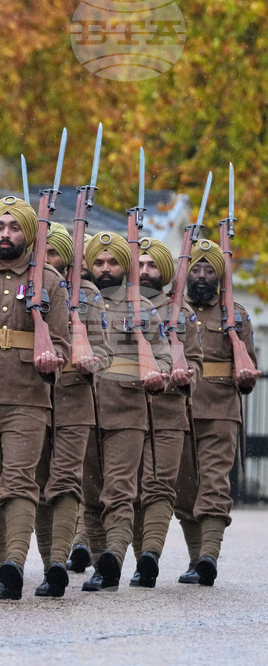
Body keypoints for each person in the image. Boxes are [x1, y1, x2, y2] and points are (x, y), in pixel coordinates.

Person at [0, 197, 70, 601]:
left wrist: (52, 359)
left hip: (28, 393)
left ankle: (14, 566)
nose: (5, 234)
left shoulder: (49, 281)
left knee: (19, 481)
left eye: (14, 227)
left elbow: (62, 343)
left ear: (29, 234)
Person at [80, 231, 170, 592]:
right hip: (83, 408)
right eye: (99, 262)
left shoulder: (142, 308)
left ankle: (113, 558)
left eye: (113, 262)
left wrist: (158, 374)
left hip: (127, 409)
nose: (105, 268)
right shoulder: (75, 304)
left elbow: (164, 355)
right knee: (90, 493)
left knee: (119, 490)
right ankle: (100, 559)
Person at [32, 222, 111, 597]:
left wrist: (90, 363)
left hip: (74, 399)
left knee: (64, 482)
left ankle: (57, 563)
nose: (47, 259)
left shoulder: (90, 297)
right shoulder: (29, 288)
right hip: (33, 397)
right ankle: (48, 559)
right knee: (36, 484)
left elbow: (105, 352)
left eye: (54, 253)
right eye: (42, 252)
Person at [174, 240, 257, 586]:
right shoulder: (172, 311)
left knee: (214, 484)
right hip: (180, 410)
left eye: (210, 270)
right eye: (196, 269)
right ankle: (196, 558)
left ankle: (209, 556)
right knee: (184, 488)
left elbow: (249, 369)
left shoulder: (235, 315)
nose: (202, 276)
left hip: (221, 410)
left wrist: (245, 377)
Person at [127, 237, 201, 587]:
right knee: (129, 490)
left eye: (152, 265)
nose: (145, 271)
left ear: (166, 271)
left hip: (169, 411)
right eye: (140, 264)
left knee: (159, 487)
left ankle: (150, 555)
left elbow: (196, 361)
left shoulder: (183, 314)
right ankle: (138, 555)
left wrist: (186, 376)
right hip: (127, 409)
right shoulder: (120, 309)